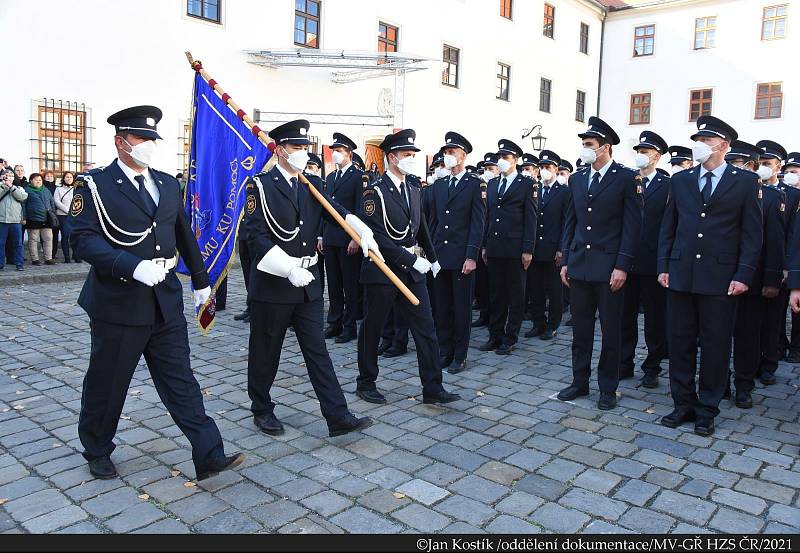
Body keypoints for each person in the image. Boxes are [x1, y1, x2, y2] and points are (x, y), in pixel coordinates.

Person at [70, 105, 244, 481]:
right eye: (141, 138)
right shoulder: (96, 185)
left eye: (152, 139)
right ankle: (97, 447)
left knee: (181, 381)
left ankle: (209, 452)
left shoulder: (166, 183)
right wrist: (131, 265)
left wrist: (201, 281)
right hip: (118, 304)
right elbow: (82, 240)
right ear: (121, 142)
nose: (148, 145)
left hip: (164, 301)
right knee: (108, 382)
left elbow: (183, 232)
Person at [244, 119, 376, 437]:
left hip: (309, 285)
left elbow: (337, 211)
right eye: (296, 148)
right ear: (280, 150)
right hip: (276, 282)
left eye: (305, 148)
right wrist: (288, 268)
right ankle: (261, 408)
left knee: (317, 350)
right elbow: (255, 236)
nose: (302, 153)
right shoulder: (259, 185)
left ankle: (337, 415)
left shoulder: (311, 184)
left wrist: (362, 230)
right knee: (266, 350)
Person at [657, 115, 761, 436]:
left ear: (724, 145)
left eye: (707, 140)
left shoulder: (744, 182)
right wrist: (663, 266)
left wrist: (743, 274)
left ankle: (707, 408)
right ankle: (683, 403)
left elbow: (751, 234)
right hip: (681, 274)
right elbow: (668, 227)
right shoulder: (682, 180)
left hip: (720, 278)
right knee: (680, 341)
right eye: (697, 140)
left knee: (715, 345)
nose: (700, 145)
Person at [356, 129, 461, 405]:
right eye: (407, 155)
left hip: (412, 271)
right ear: (392, 157)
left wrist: (433, 258)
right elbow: (376, 235)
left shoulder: (414, 188)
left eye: (413, 154)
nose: (412, 159)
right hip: (383, 270)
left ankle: (433, 387)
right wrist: (412, 259)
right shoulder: (373, 192)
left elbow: (421, 227)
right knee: (374, 327)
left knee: (426, 327)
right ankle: (365, 382)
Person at [559, 116, 643, 410]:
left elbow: (632, 227)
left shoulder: (625, 177)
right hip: (580, 264)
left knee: (611, 331)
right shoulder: (577, 178)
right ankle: (579, 381)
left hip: (609, 269)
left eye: (589, 144)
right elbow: (572, 221)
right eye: (583, 144)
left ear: (605, 147)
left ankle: (608, 387)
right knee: (581, 330)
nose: (584, 148)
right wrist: (566, 259)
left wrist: (622, 265)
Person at [728, 140, 784, 408]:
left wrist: (772, 279)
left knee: (748, 335)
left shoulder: (771, 197)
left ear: (751, 165)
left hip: (754, 277)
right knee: (717, 335)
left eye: (736, 163)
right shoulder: (721, 190)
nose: (730, 168)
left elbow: (774, 242)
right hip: (721, 275)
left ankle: (743, 384)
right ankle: (719, 381)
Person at [427, 132, 485, 374]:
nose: (447, 156)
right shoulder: (439, 186)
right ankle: (444, 350)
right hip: (441, 255)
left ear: (463, 156)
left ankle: (459, 355)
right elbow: (434, 222)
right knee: (442, 307)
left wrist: (471, 256)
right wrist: (430, 254)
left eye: (452, 152)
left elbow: (478, 222)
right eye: (446, 153)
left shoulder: (475, 185)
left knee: (461, 309)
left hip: (462, 257)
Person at [620, 131, 670, 388]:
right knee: (624, 317)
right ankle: (624, 362)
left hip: (653, 262)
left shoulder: (667, 185)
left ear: (657, 156)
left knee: (654, 319)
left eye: (646, 152)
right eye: (638, 151)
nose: (641, 156)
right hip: (627, 260)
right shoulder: (628, 180)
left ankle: (652, 365)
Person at [480, 139, 538, 355]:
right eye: (500, 158)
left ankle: (510, 336)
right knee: (496, 294)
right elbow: (488, 217)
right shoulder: (493, 184)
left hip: (515, 249)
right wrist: (485, 245)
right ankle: (495, 335)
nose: (501, 161)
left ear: (515, 160)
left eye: (506, 157)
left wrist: (528, 249)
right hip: (495, 247)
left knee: (515, 295)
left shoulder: (526, 184)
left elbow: (530, 218)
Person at [321, 133, 364, 344]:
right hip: (330, 237)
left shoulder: (358, 177)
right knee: (334, 284)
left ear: (349, 154)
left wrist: (356, 238)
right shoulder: (330, 178)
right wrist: (321, 235)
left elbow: (359, 210)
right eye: (334, 151)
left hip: (348, 239)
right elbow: (325, 208)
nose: (335, 154)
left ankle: (349, 326)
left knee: (350, 285)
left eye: (339, 151)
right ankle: (334, 322)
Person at [525, 150, 568, 340]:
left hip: (553, 249)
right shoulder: (535, 189)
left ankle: (552, 324)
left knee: (554, 290)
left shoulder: (564, 192)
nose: (544, 171)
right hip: (535, 249)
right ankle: (538, 323)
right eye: (541, 167)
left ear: (556, 169)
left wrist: (561, 248)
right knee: (535, 289)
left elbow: (566, 222)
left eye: (548, 167)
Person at [472, 153, 499, 329]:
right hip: (480, 241)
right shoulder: (481, 187)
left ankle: (495, 318)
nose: (487, 172)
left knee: (495, 286)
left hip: (495, 242)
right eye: (485, 169)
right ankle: (484, 314)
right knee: (482, 283)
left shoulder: (498, 188)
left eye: (491, 169)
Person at [781, 152, 800, 363]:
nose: (790, 175)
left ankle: (797, 346)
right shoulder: (784, 194)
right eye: (787, 171)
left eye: (794, 172)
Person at [23, 172, 57, 265]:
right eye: (36, 180)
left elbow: (52, 202)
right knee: (33, 239)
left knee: (48, 238)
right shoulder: (26, 190)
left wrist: (53, 213)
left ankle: (48, 258)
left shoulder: (46, 190)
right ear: (31, 181)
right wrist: (24, 217)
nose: (38, 181)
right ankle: (35, 259)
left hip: (47, 218)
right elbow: (23, 205)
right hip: (33, 218)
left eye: (40, 180)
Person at [0, 169, 28, 271]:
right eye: (6, 175)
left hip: (15, 221)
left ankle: (19, 263)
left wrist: (11, 187)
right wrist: (4, 186)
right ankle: (0, 264)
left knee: (18, 244)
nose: (8, 177)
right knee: (1, 243)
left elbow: (23, 197)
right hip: (2, 221)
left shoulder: (19, 188)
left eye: (11, 175)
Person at [53, 171, 80, 263]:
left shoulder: (76, 189)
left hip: (75, 216)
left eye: (70, 177)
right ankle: (67, 257)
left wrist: (74, 212)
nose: (69, 179)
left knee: (75, 236)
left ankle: (76, 256)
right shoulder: (58, 189)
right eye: (67, 177)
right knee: (65, 236)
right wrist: (68, 211)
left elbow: (78, 201)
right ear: (63, 178)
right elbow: (57, 202)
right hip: (62, 216)